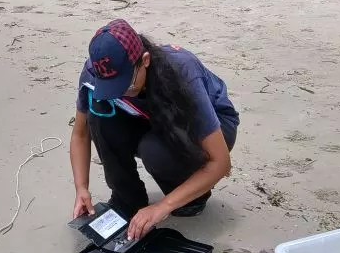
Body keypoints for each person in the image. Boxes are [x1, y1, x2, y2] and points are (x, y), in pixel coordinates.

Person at [69, 19, 239, 240]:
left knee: (153, 150)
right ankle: (127, 199)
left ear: (145, 61)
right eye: (111, 87)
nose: (120, 92)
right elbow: (81, 133)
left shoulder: (180, 71)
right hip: (150, 117)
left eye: (125, 85)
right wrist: (81, 188)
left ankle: (192, 197)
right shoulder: (96, 71)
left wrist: (163, 206)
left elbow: (221, 162)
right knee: (100, 114)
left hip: (214, 125)